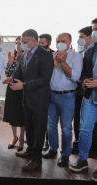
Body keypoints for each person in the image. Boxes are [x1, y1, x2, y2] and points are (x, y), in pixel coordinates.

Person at [4, 29, 54, 171]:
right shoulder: (25, 54)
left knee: (39, 129)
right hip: (27, 99)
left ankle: (36, 159)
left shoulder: (46, 55)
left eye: (25, 42)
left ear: (33, 41)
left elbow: (45, 79)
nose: (23, 45)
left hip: (40, 100)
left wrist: (23, 85)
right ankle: (30, 150)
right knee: (29, 127)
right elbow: (19, 71)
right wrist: (12, 79)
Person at [42, 33, 83, 167]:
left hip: (67, 96)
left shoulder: (76, 56)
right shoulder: (52, 56)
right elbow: (46, 76)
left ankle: (65, 154)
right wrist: (54, 64)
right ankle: (53, 149)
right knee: (51, 125)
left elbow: (75, 77)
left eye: (63, 41)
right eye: (58, 41)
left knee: (66, 128)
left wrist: (63, 62)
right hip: (52, 95)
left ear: (70, 42)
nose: (60, 43)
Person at [69, 18, 97, 172]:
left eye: (96, 29)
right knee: (85, 129)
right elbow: (84, 71)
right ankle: (83, 159)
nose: (94, 32)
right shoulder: (91, 50)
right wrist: (85, 79)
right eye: (94, 29)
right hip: (89, 98)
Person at [72, 26, 95, 155]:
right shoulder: (82, 52)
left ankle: (91, 149)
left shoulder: (93, 51)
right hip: (81, 91)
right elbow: (81, 72)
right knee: (79, 121)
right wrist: (84, 79)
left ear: (89, 36)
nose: (79, 40)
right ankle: (78, 145)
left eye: (81, 37)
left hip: (92, 92)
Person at [3, 36, 25, 152]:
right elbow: (7, 73)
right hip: (11, 89)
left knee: (22, 114)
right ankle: (14, 136)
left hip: (22, 89)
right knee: (12, 114)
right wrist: (11, 63)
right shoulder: (12, 57)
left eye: (20, 43)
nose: (18, 45)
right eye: (16, 43)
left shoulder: (27, 57)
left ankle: (22, 138)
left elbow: (24, 74)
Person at [38, 33, 55, 151]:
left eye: (42, 43)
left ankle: (48, 143)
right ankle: (40, 141)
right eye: (39, 43)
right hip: (39, 92)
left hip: (50, 91)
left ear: (49, 43)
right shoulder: (36, 54)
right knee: (41, 119)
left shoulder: (54, 55)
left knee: (50, 121)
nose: (40, 45)